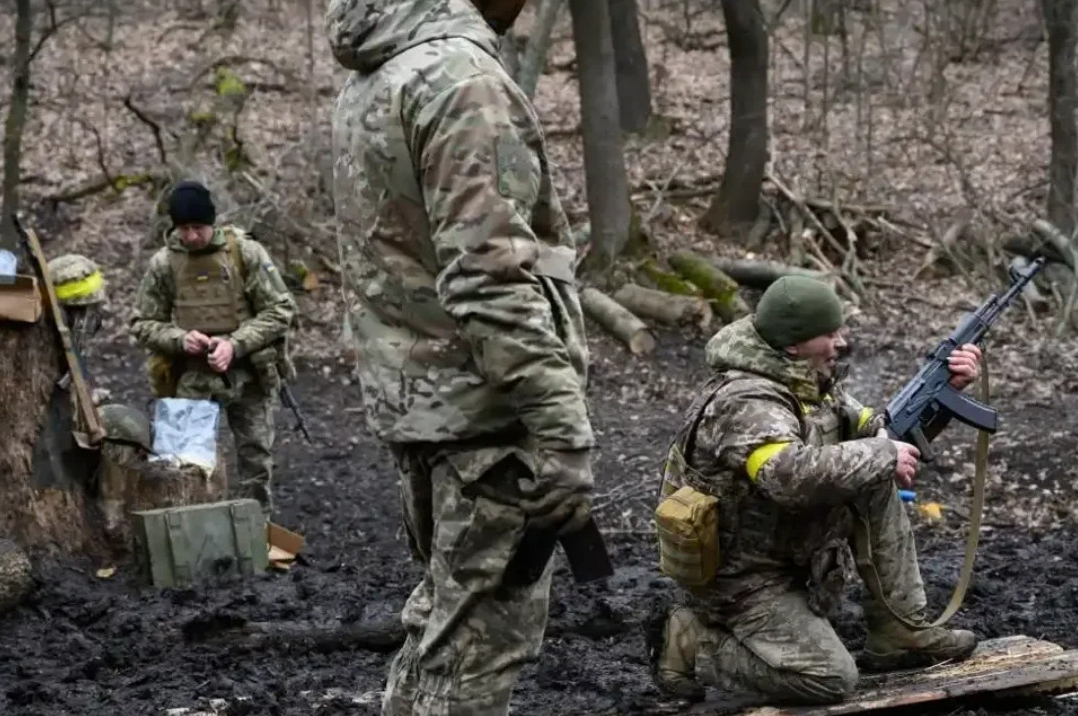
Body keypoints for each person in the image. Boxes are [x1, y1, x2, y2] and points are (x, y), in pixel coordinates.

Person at [326, 0, 597, 713]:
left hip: (424, 404)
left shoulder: (377, 76)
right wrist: (563, 429)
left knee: (441, 630)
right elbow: (489, 279)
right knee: (476, 654)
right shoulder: (459, 78)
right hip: (486, 416)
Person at [648, 275, 981, 705]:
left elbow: (881, 435)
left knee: (871, 471)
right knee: (830, 679)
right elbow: (786, 477)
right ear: (792, 344)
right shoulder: (745, 400)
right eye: (829, 333)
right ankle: (692, 643)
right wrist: (881, 453)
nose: (841, 343)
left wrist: (943, 396)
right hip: (742, 580)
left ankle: (900, 631)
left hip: (791, 555)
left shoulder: (808, 380)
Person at [129, 179, 297, 514]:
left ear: (213, 223)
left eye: (198, 228)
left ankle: (255, 527)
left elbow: (281, 309)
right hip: (191, 376)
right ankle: (190, 527)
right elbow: (141, 324)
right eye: (183, 228)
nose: (190, 236)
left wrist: (235, 344)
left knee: (255, 458)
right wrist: (180, 339)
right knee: (184, 461)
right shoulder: (165, 264)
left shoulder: (244, 253)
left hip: (249, 373)